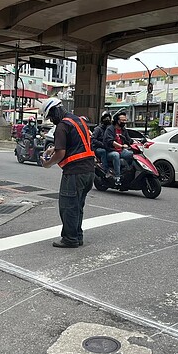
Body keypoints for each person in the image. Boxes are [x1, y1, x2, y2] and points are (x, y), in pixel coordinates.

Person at [40, 98, 95, 248]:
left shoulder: (62, 126)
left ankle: (70, 239)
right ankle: (77, 236)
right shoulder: (78, 120)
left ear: (55, 110)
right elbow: (77, 143)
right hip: (89, 171)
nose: (51, 120)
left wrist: (47, 164)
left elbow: (61, 153)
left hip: (74, 173)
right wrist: (54, 148)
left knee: (68, 206)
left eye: (51, 116)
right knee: (77, 205)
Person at [103, 111, 134, 185]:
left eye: (125, 120)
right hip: (110, 151)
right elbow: (110, 141)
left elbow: (128, 140)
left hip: (121, 151)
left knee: (131, 154)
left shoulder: (124, 130)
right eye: (122, 120)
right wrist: (121, 146)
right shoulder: (110, 129)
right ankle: (117, 177)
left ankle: (127, 171)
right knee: (116, 155)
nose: (124, 122)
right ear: (117, 120)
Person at [91, 112, 119, 176]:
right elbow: (93, 139)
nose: (107, 120)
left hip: (108, 148)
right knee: (103, 151)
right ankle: (105, 170)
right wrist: (102, 144)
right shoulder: (98, 129)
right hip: (98, 148)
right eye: (105, 118)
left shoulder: (110, 129)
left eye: (108, 118)